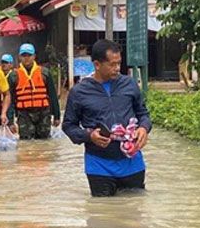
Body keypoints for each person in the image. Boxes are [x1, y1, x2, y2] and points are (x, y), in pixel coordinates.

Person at [62, 39, 152, 197]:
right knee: (102, 214)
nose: (117, 68)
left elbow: (143, 114)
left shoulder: (129, 85)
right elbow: (69, 126)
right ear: (97, 65)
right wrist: (89, 136)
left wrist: (144, 128)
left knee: (135, 211)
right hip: (98, 164)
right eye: (112, 64)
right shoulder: (78, 92)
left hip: (132, 162)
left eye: (119, 63)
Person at [6, 43, 60, 139]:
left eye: (29, 55)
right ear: (19, 57)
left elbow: (52, 95)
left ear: (34, 56)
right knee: (26, 142)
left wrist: (57, 116)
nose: (26, 58)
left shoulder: (45, 73)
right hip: (24, 114)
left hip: (43, 113)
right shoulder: (13, 76)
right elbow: (10, 100)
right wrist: (10, 121)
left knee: (45, 141)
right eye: (24, 55)